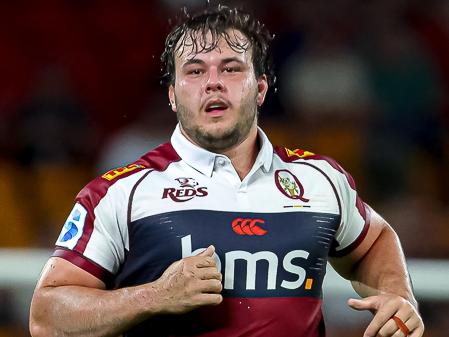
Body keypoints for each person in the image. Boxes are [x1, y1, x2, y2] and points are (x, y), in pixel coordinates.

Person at [29, 5, 424, 337]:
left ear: (261, 88)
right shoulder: (122, 192)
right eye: (195, 71)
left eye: (232, 68)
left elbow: (373, 240)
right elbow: (45, 315)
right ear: (172, 94)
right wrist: (153, 296)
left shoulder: (320, 179)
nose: (213, 83)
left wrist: (398, 296)